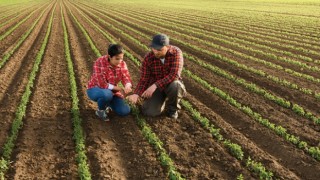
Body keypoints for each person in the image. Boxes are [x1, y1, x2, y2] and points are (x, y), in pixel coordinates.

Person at [127, 34, 186, 119]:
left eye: (159, 49)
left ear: (167, 47)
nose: (156, 51)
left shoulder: (176, 52)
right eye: (154, 48)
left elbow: (174, 75)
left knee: (176, 86)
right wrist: (136, 94)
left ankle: (172, 109)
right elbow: (144, 79)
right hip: (157, 89)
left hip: (170, 84)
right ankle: (160, 101)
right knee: (149, 112)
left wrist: (155, 85)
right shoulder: (148, 58)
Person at [87, 44, 133, 121]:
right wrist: (119, 88)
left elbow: (126, 76)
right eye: (117, 59)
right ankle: (100, 111)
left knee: (124, 111)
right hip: (95, 89)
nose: (119, 61)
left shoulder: (122, 63)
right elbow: (102, 84)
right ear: (109, 56)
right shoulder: (100, 62)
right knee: (107, 94)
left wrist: (127, 85)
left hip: (113, 92)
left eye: (121, 58)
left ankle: (108, 103)